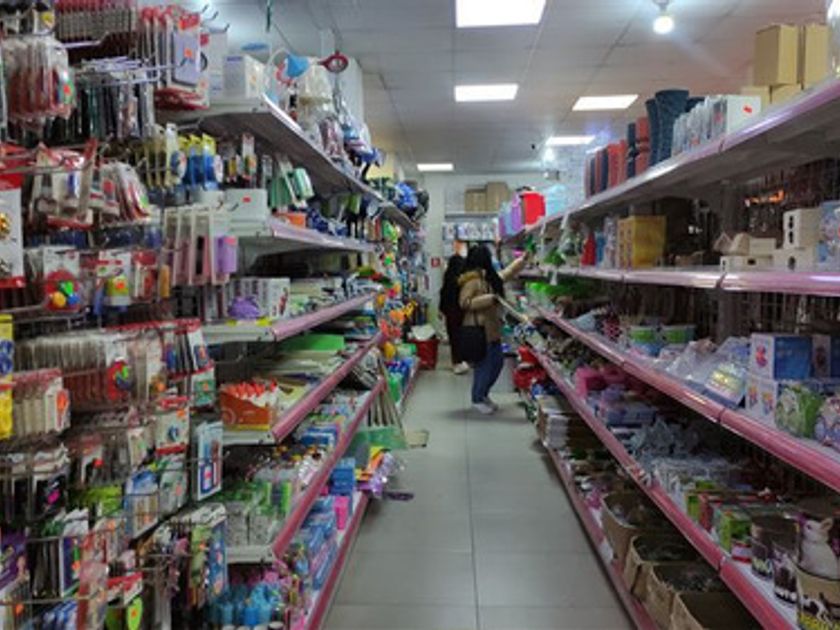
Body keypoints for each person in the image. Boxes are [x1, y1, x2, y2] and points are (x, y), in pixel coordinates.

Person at [458, 246, 527, 414]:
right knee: (484, 366)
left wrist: (522, 261)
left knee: (497, 363)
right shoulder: (472, 280)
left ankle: (483, 394)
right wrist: (489, 299)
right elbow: (464, 303)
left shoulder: (488, 278)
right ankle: (477, 398)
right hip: (479, 329)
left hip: (492, 329)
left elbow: (506, 274)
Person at [439, 254, 469, 374]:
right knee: (463, 337)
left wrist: (441, 310)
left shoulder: (448, 278)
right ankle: (463, 360)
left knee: (454, 338)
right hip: (462, 312)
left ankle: (456, 362)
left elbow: (443, 295)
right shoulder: (463, 280)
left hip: (450, 313)